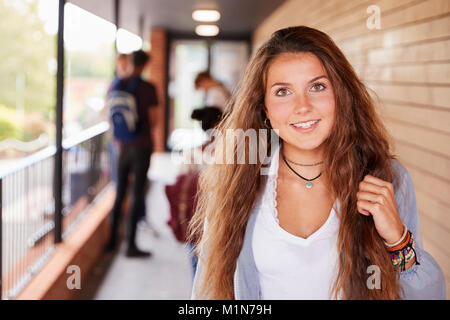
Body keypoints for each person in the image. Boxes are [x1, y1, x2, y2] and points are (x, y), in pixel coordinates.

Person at [189, 26, 446, 299]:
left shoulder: (386, 178)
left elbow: (429, 295)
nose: (302, 106)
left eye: (317, 86)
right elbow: (208, 294)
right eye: (282, 92)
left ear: (340, 94)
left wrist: (398, 240)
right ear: (263, 107)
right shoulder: (238, 179)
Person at [108, 50, 159, 257]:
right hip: (142, 144)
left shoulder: (116, 84)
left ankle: (112, 242)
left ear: (129, 62)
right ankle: (130, 245)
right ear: (146, 65)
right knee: (137, 193)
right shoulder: (148, 88)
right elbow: (154, 120)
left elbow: (109, 114)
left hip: (121, 146)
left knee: (120, 191)